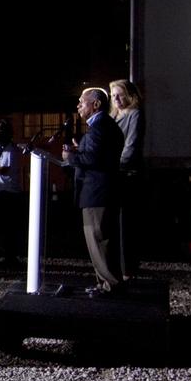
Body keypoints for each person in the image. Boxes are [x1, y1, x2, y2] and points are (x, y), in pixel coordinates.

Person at [63, 88, 124, 297]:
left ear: (95, 104)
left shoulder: (99, 128)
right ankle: (103, 283)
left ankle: (110, 285)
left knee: (99, 239)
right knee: (99, 241)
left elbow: (94, 160)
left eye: (82, 102)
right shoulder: (104, 127)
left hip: (97, 192)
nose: (78, 106)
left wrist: (71, 156)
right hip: (101, 192)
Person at [110, 79, 145, 280]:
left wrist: (113, 165)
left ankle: (127, 269)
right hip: (115, 175)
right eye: (113, 96)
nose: (116, 99)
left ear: (130, 96)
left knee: (125, 225)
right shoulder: (113, 117)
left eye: (120, 95)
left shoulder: (135, 115)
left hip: (126, 174)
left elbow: (131, 147)